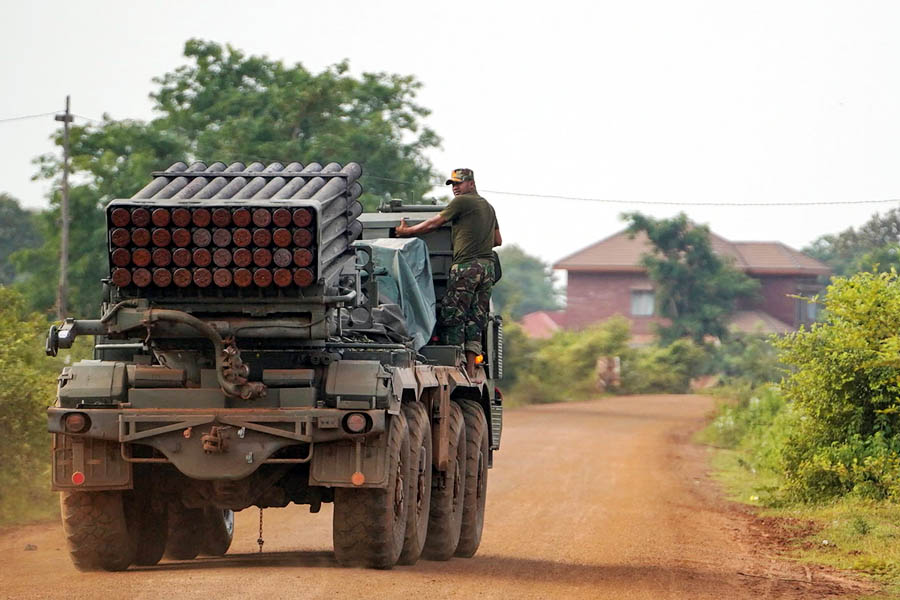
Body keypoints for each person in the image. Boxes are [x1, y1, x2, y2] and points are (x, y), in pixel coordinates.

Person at [395, 168, 502, 379]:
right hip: (487, 268)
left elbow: (435, 223)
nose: (455, 188)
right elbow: (497, 241)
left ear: (471, 184)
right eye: (452, 184)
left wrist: (407, 232)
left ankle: (455, 367)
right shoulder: (488, 207)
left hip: (466, 266)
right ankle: (471, 367)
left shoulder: (462, 202)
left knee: (453, 314)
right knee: (476, 317)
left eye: (459, 183)